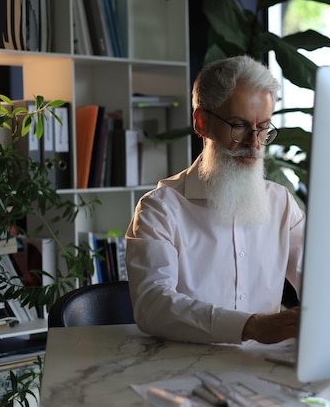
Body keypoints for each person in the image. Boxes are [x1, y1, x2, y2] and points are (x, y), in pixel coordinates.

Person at [124, 56, 305, 345]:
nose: (254, 143)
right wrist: (251, 326)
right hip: (185, 374)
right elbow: (152, 306)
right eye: (239, 126)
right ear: (201, 123)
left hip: (266, 371)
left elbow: (321, 283)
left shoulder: (281, 204)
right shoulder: (160, 209)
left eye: (263, 129)